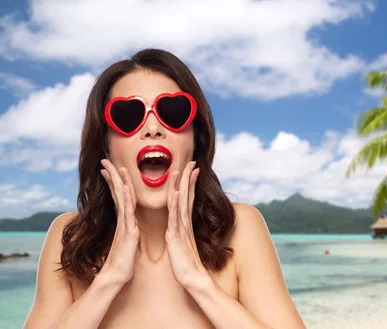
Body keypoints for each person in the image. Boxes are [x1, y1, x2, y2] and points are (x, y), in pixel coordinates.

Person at [23, 48, 307, 329]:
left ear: (196, 138)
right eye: (127, 115)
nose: (153, 127)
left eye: (173, 111)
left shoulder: (240, 229)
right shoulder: (71, 237)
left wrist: (198, 281)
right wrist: (109, 279)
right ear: (105, 146)